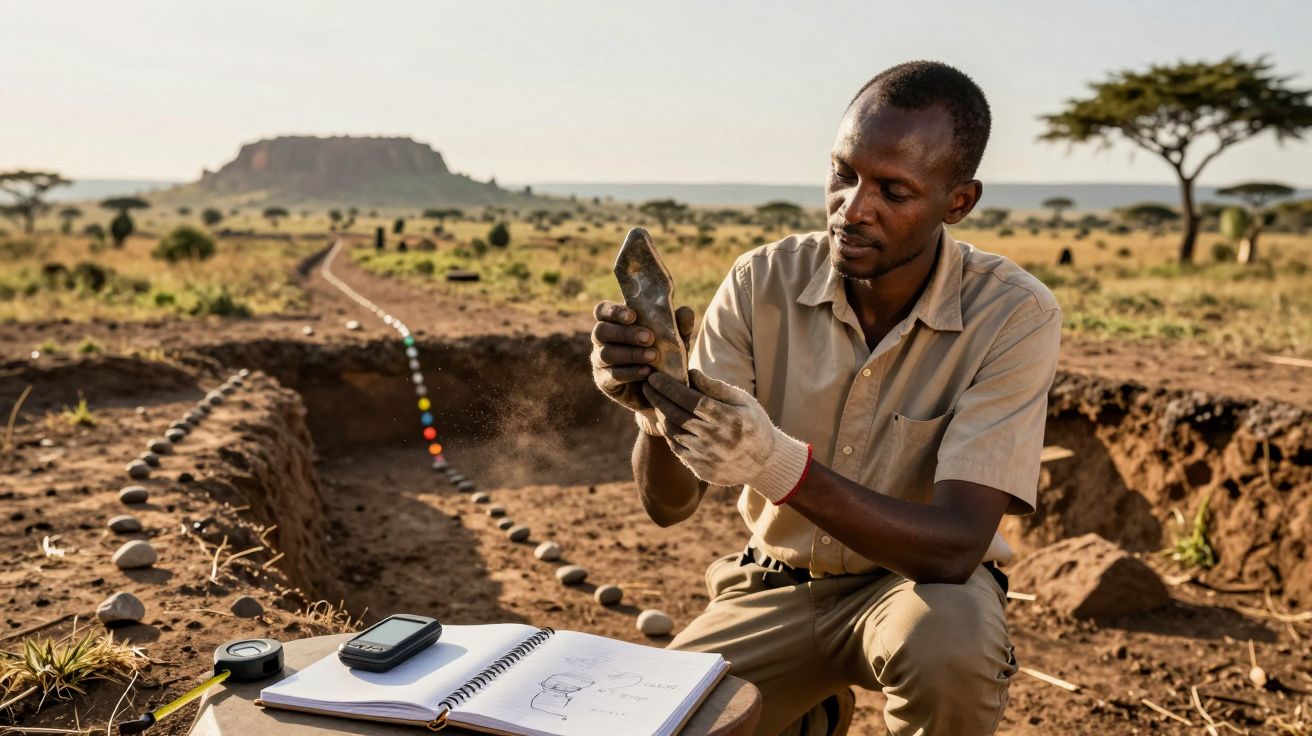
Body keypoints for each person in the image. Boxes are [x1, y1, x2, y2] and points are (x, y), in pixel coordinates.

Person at [590, 60, 1061, 736]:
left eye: (893, 191)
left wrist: (772, 463)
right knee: (661, 727)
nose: (853, 208)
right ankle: (810, 715)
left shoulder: (1013, 314)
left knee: (951, 648)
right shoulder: (761, 282)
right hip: (774, 586)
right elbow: (669, 507)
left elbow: (956, 548)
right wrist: (652, 408)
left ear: (957, 203)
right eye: (843, 173)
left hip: (918, 589)